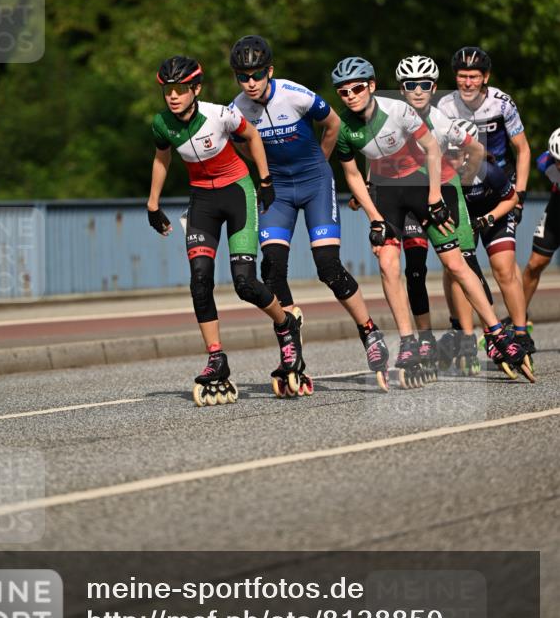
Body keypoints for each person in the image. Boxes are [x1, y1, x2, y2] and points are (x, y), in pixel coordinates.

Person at [330, 55, 530, 386]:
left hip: (426, 184)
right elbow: (355, 173)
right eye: (344, 91)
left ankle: (496, 331)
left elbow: (433, 150)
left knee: (456, 264)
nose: (351, 95)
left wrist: (438, 195)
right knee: (389, 262)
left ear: (373, 86)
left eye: (357, 88)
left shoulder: (400, 111)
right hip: (389, 195)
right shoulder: (345, 128)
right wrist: (373, 214)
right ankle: (409, 341)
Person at [228, 34, 389, 392]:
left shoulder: (295, 94)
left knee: (328, 266)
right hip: (278, 191)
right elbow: (237, 144)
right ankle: (291, 348)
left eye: (256, 74)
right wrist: (261, 175)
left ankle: (369, 331)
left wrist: (321, 163)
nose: (250, 83)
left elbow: (333, 125)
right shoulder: (236, 108)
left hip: (315, 180)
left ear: (269, 71)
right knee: (271, 267)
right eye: (243, 76)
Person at [146, 55, 305, 406]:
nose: (173, 96)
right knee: (199, 279)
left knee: (245, 283)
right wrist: (153, 203)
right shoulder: (161, 124)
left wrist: (265, 180)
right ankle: (216, 356)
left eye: (181, 89)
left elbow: (253, 137)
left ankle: (285, 326)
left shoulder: (220, 114)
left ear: (196, 89)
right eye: (168, 90)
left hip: (237, 192)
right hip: (202, 199)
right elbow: (162, 158)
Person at [395, 55, 486, 378]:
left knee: (459, 266)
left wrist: (462, 181)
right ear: (402, 89)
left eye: (424, 85)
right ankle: (424, 340)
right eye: (410, 85)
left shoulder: (443, 123)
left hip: (442, 200)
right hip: (409, 204)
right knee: (415, 270)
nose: (417, 91)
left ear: (433, 88)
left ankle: (470, 338)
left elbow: (477, 152)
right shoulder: (392, 117)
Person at [437, 46, 531, 304]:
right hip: (463, 191)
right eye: (462, 76)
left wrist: (520, 194)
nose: (468, 82)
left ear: (485, 77)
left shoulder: (502, 103)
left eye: (474, 76)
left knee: (504, 265)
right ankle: (466, 331)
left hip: (498, 187)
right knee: (456, 265)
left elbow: (522, 150)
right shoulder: (445, 106)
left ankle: (519, 329)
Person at [443, 144, 535, 378]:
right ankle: (467, 340)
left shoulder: (486, 170)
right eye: (447, 155)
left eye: (456, 155)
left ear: (466, 154)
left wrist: (488, 218)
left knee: (504, 269)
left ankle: (521, 334)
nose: (451, 160)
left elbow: (512, 199)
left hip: (496, 212)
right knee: (458, 269)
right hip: (464, 216)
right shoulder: (443, 174)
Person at [523, 128, 560, 313]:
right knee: (534, 263)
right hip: (557, 208)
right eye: (558, 161)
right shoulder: (545, 163)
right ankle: (518, 317)